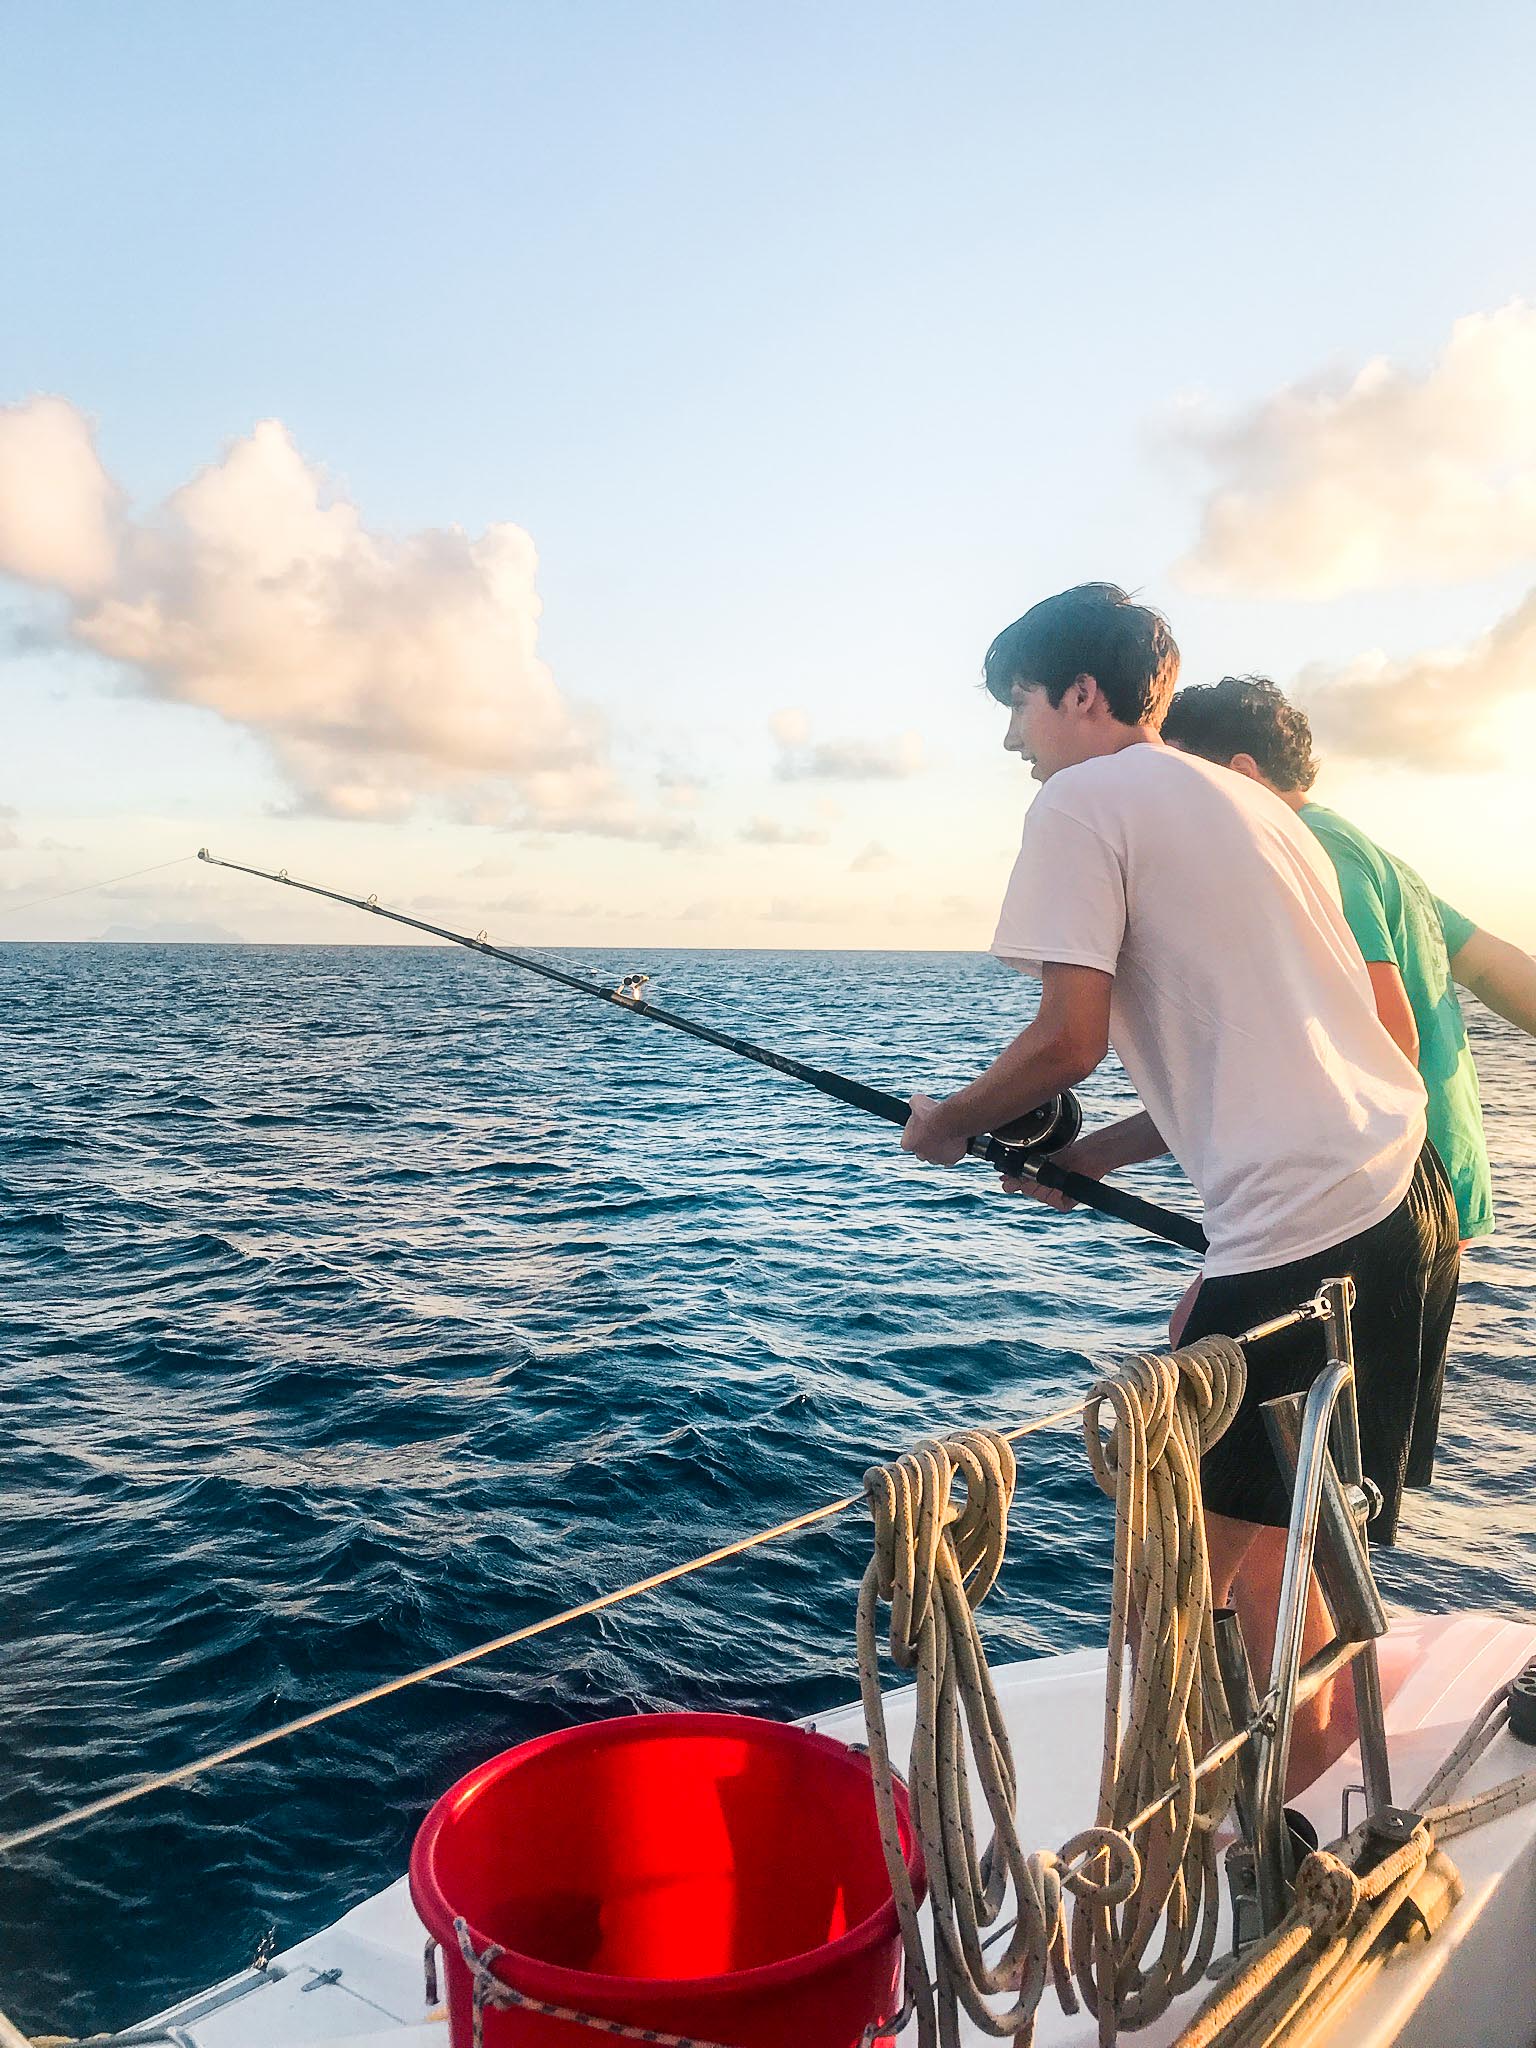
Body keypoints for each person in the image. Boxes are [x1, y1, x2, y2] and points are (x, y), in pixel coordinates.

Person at [900, 583, 1459, 1794]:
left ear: (1080, 696)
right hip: (1402, 1199)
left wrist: (947, 1125)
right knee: (1284, 1548)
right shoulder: (1256, 810)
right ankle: (1319, 1795)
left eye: (1019, 708)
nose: (1013, 741)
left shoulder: (1081, 800)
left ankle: (1238, 1842)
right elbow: (1275, 1050)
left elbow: (1067, 1039)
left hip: (1301, 1236)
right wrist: (1084, 1158)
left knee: (1197, 1566)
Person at [1161, 675, 1536, 1245]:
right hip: (1440, 1175)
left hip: (1388, 1193)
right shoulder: (1373, 855)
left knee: (1209, 1328)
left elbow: (1391, 1035)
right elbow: (1490, 968)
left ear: (1240, 774)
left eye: (1185, 780)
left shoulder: (1315, 852)